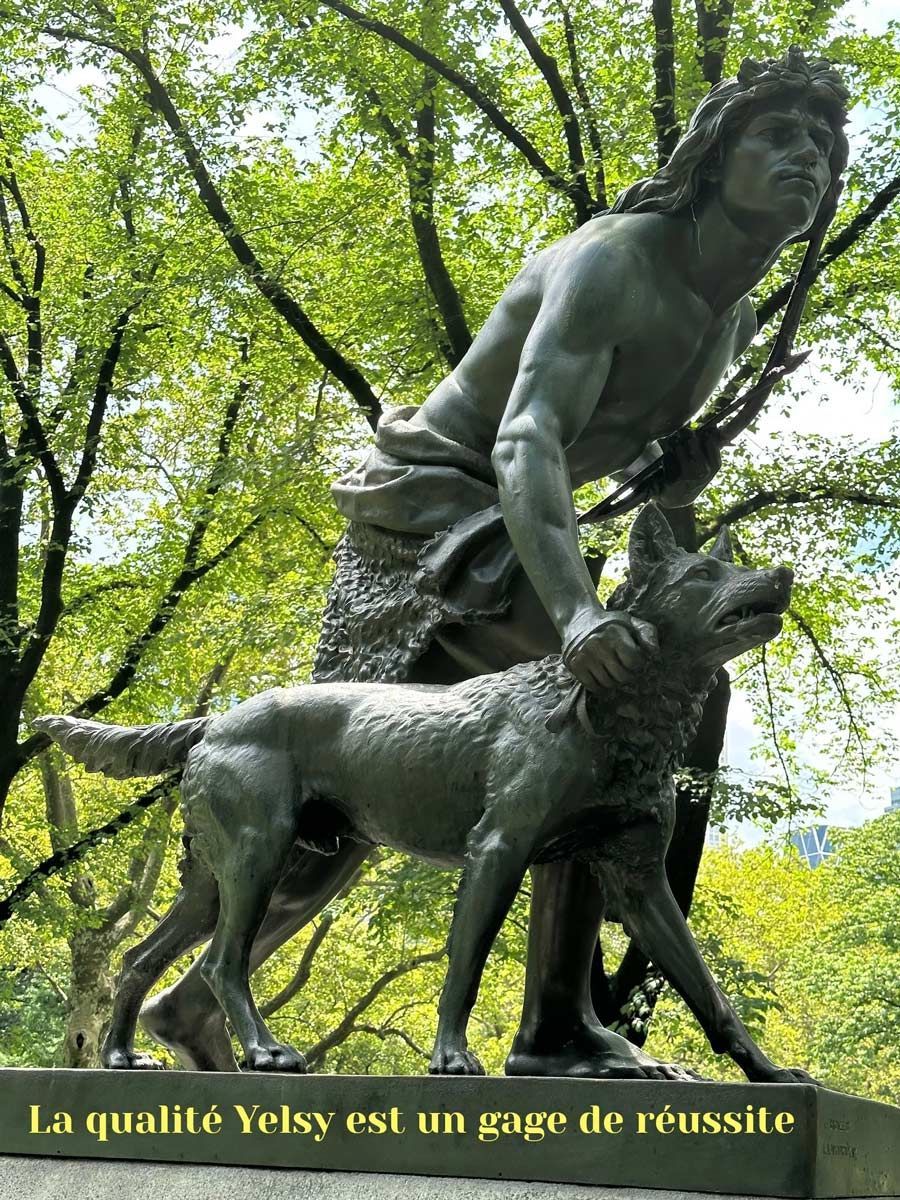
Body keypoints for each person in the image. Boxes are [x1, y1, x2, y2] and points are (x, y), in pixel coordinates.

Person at [141, 48, 848, 1077]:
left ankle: (193, 1003)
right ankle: (550, 1028)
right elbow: (525, 443)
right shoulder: (621, 260)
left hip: (514, 521)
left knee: (678, 711)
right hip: (431, 515)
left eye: (824, 147)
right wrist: (574, 617)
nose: (809, 160)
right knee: (566, 717)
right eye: (779, 138)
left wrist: (674, 472)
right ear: (712, 161)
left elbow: (607, 443)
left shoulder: (727, 315)